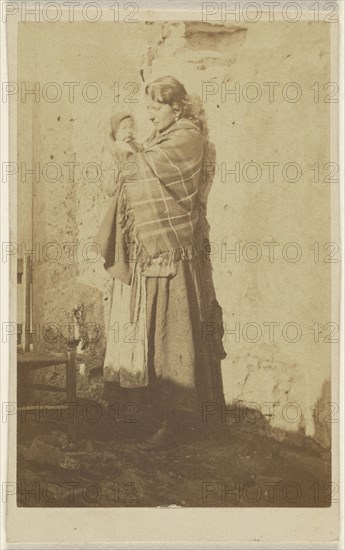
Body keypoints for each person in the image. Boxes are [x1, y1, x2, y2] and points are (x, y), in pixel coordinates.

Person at [95, 75, 226, 449]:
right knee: (145, 329)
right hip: (147, 253)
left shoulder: (188, 139)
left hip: (174, 251)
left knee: (173, 333)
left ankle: (179, 421)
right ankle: (145, 416)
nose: (150, 115)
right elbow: (125, 179)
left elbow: (146, 172)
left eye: (156, 108)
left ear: (177, 107)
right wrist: (125, 155)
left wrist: (122, 152)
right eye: (148, 108)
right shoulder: (156, 140)